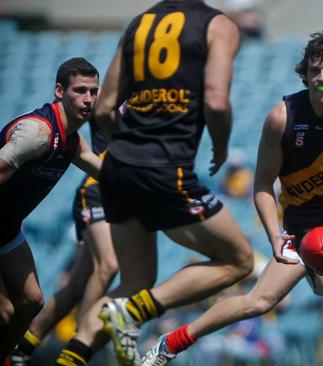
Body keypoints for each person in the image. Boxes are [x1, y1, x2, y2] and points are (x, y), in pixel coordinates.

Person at [139, 31, 323, 366]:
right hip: (298, 235)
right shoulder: (282, 117)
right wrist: (273, 235)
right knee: (257, 302)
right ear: (306, 73)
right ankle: (171, 343)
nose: (321, 78)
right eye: (315, 70)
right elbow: (263, 185)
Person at [53, 2, 254, 366]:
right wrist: (221, 148)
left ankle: (72, 357)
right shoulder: (218, 25)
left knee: (137, 279)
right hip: (167, 169)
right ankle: (133, 312)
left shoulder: (137, 25)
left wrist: (131, 148)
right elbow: (217, 101)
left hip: (117, 168)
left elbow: (104, 108)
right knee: (239, 261)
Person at [0, 57, 102, 363]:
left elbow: (109, 173)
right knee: (4, 314)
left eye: (94, 91)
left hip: (6, 227)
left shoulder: (71, 140)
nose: (88, 99)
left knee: (32, 301)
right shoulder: (37, 133)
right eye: (80, 90)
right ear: (59, 91)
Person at [8, 121, 118, 366]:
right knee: (108, 265)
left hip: (127, 198)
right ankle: (78, 350)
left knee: (77, 285)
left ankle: (23, 348)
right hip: (99, 191)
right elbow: (100, 114)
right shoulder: (128, 103)